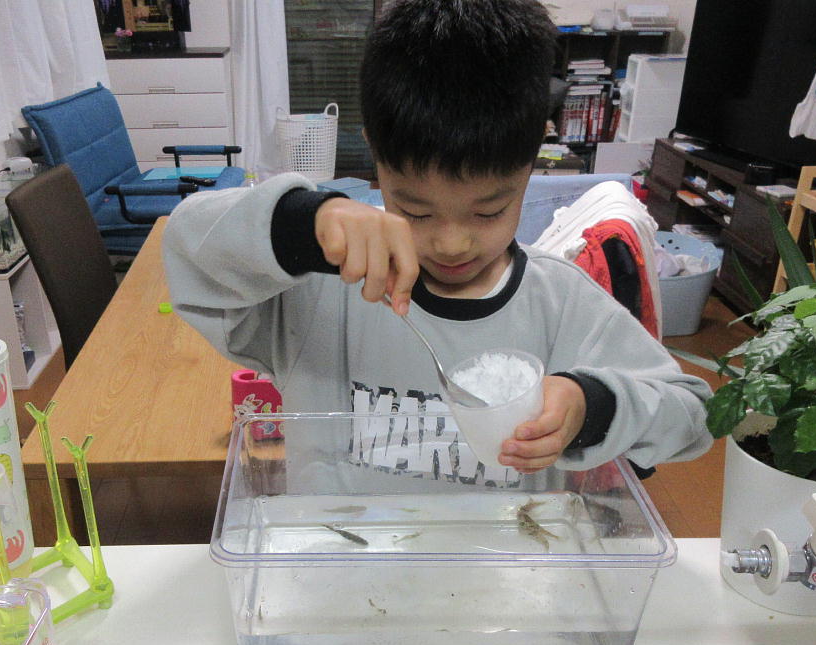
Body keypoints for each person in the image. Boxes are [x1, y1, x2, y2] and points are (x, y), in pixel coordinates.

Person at [164, 0, 711, 485]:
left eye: (489, 211)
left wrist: (588, 407)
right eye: (416, 210)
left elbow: (691, 415)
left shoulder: (562, 303)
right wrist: (300, 225)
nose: (452, 243)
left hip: (507, 560)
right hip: (342, 557)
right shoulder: (317, 290)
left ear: (532, 163)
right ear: (375, 154)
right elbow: (187, 253)